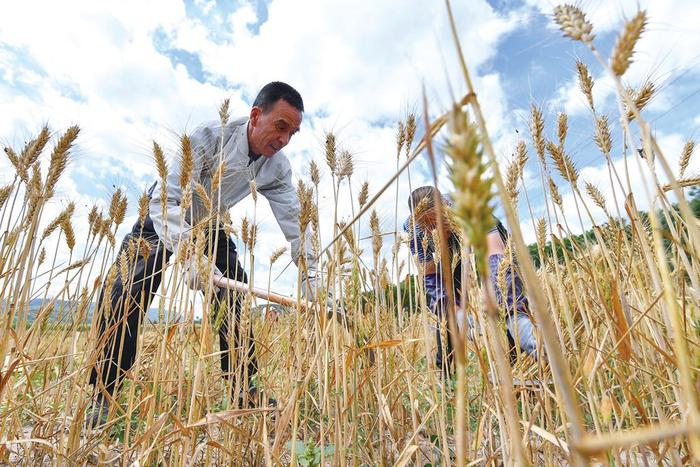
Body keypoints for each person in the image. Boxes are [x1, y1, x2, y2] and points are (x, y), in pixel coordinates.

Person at [88, 82, 318, 427]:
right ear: (256, 116)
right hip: (164, 214)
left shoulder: (277, 168)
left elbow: (296, 223)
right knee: (125, 293)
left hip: (211, 220)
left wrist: (311, 275)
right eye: (280, 127)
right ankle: (102, 395)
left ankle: (245, 391)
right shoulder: (208, 138)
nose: (284, 139)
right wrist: (190, 254)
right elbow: (169, 198)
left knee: (234, 298)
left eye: (293, 133)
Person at [404, 186, 538, 377]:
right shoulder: (413, 229)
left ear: (447, 208)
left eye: (437, 222)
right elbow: (430, 275)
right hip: (449, 253)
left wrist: (511, 307)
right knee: (446, 313)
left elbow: (495, 254)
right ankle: (446, 373)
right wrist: (453, 309)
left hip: (486, 241)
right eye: (427, 226)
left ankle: (519, 353)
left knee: (505, 296)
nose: (434, 230)